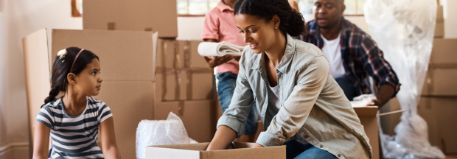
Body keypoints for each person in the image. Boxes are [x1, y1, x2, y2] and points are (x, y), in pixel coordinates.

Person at [206, 0, 372, 158]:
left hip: (335, 143)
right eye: (242, 31)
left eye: (252, 30)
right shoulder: (248, 59)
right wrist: (208, 155)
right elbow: (235, 113)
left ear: (275, 21)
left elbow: (285, 122)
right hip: (295, 142)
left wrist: (252, 156)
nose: (245, 39)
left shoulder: (311, 60)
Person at [300, 0, 400, 107]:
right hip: (312, 103)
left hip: (350, 105)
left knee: (341, 84)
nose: (321, 11)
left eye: (329, 6)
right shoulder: (303, 35)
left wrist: (377, 102)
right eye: (317, 5)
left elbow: (388, 77)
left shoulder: (359, 39)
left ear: (342, 9)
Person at [33, 47, 121, 159]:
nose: (100, 78)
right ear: (72, 78)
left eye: (99, 72)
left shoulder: (101, 109)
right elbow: (39, 155)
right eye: (94, 73)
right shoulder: (48, 112)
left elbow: (110, 148)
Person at [202, 0, 259, 142]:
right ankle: (231, 153)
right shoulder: (214, 14)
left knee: (251, 120)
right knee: (232, 114)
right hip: (228, 71)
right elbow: (209, 48)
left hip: (252, 71)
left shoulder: (251, 9)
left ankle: (246, 153)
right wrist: (214, 58)